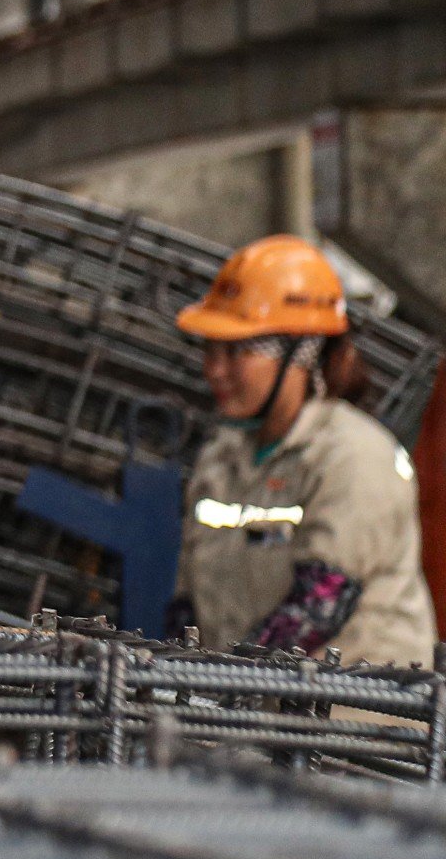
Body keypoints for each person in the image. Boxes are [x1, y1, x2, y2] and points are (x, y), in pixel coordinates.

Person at [171, 234, 436, 666]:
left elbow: (320, 604)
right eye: (210, 348)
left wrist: (221, 684)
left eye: (237, 350)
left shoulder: (353, 456)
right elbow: (187, 606)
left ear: (303, 350)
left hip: (356, 723)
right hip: (254, 713)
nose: (215, 369)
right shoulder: (221, 459)